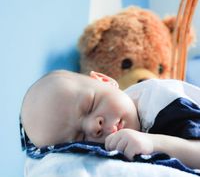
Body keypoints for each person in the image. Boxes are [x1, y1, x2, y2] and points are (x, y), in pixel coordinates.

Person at [20, 69, 200, 169]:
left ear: (105, 81)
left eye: (90, 105)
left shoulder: (163, 102)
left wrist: (153, 143)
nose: (93, 127)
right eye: (80, 137)